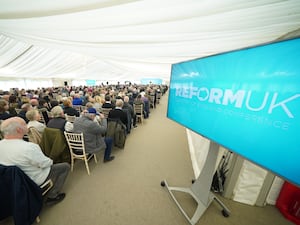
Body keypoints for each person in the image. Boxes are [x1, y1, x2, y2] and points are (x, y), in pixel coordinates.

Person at [0, 117, 70, 205]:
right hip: (33, 179)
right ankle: (53, 196)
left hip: (11, 184)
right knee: (65, 167)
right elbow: (46, 164)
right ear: (18, 130)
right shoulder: (29, 147)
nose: (27, 125)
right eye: (24, 124)